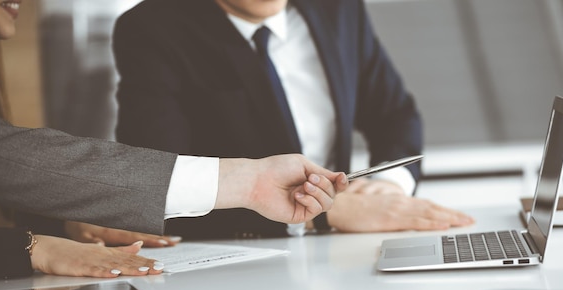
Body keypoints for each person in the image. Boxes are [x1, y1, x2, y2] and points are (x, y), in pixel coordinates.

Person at [0, 0, 348, 279]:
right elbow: (2, 160)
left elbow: (6, 168)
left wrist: (57, 228)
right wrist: (31, 248)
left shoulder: (338, 13)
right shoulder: (152, 26)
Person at [113, 0, 474, 239]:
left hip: (343, 245)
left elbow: (394, 115)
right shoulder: (151, 28)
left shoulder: (339, 9)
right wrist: (325, 213)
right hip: (240, 259)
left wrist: (389, 186)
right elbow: (158, 181)